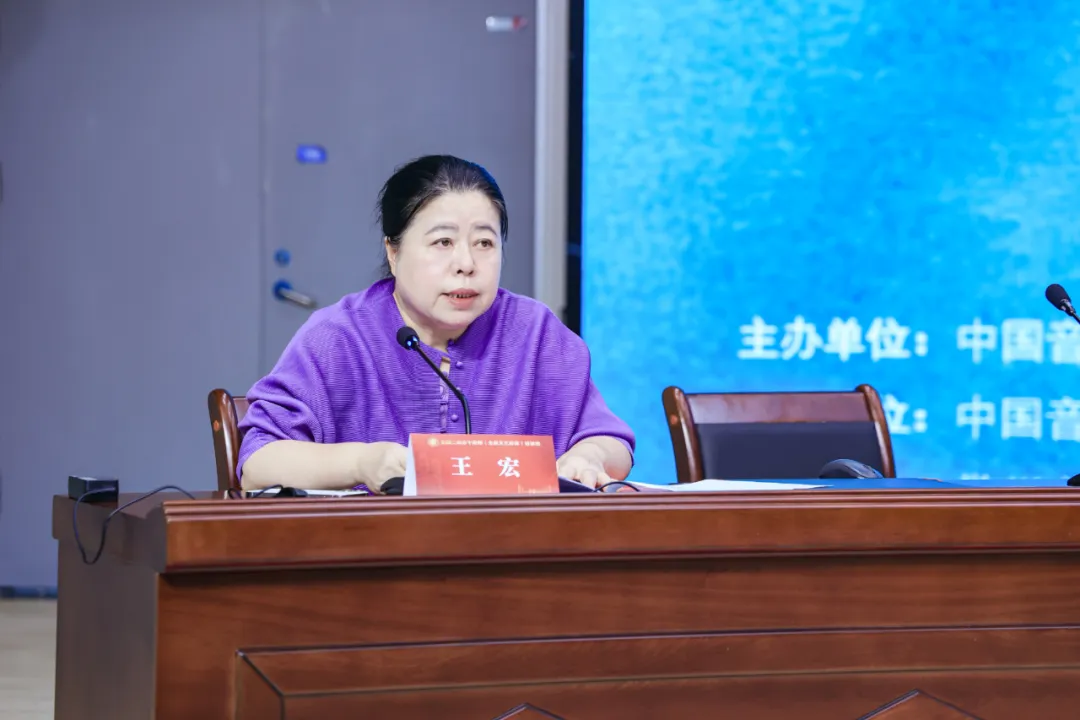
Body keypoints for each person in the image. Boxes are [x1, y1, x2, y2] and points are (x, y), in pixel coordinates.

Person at [237, 154, 635, 492]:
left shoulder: (535, 334)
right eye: (443, 242)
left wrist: (589, 456)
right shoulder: (338, 338)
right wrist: (361, 463)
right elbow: (258, 463)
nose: (466, 264)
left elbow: (610, 439)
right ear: (393, 252)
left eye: (484, 243)